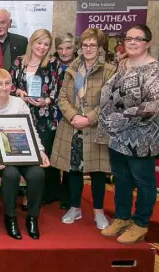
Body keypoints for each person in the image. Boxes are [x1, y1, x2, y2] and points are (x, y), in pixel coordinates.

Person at [98, 24, 158, 244]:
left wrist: (121, 117)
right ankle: (122, 217)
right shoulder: (123, 64)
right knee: (121, 179)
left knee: (144, 182)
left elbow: (154, 105)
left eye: (138, 39)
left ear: (148, 43)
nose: (132, 42)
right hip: (118, 136)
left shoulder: (154, 70)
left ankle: (140, 224)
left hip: (142, 137)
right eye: (129, 38)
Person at [50, 28, 115, 230]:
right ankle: (74, 207)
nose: (88, 48)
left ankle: (98, 211)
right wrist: (73, 116)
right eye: (85, 44)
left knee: (97, 172)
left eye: (92, 45)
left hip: (95, 128)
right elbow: (62, 98)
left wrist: (88, 119)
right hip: (72, 127)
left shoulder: (109, 70)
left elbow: (109, 102)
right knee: (74, 169)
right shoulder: (73, 69)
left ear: (100, 47)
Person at [0, 68, 51, 240]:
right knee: (11, 174)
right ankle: (10, 217)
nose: (4, 87)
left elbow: (30, 130)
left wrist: (40, 151)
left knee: (37, 173)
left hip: (22, 152)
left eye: (7, 83)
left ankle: (33, 217)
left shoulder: (19, 104)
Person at [8, 29, 61, 211]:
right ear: (32, 42)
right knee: (21, 153)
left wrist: (46, 100)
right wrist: (18, 92)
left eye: (46, 44)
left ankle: (32, 198)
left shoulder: (53, 63)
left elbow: (58, 89)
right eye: (39, 43)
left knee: (39, 157)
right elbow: (10, 84)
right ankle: (19, 192)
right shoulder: (18, 62)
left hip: (44, 117)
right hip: (20, 116)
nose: (42, 47)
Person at [52, 32, 79, 210]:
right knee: (54, 153)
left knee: (71, 157)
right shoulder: (51, 64)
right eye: (60, 48)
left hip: (72, 114)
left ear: (75, 48)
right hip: (52, 114)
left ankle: (68, 195)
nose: (64, 52)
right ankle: (52, 192)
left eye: (68, 48)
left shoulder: (81, 66)